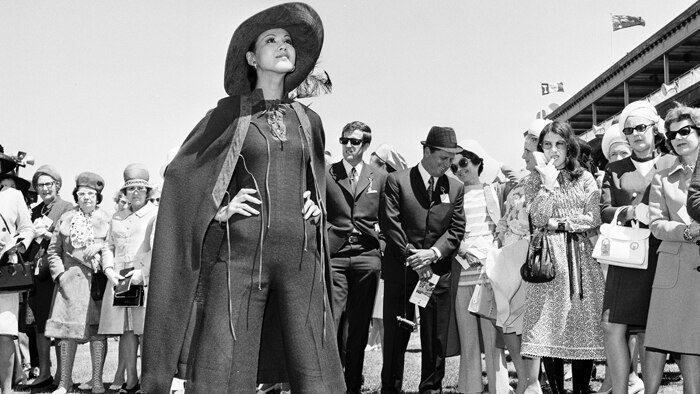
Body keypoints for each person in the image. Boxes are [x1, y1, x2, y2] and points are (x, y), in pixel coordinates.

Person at [140, 3, 345, 393]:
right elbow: (181, 176)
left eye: (287, 40)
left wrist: (316, 203)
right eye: (271, 40)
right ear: (252, 57)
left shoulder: (309, 120)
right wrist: (218, 210)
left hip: (302, 260)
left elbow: (317, 178)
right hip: (239, 259)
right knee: (225, 372)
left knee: (317, 375)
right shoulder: (229, 115)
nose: (283, 45)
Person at [520, 121, 605, 394]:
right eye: (547, 144)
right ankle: (556, 390)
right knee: (549, 325)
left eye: (559, 144)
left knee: (583, 323)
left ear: (569, 146)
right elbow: (538, 218)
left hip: (580, 259)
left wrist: (560, 224)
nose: (553, 150)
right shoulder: (534, 179)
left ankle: (580, 389)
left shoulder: (585, 177)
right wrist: (546, 184)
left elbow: (593, 217)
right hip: (549, 261)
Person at [380, 126, 465, 394]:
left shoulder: (455, 187)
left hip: (436, 275)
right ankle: (390, 389)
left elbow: (456, 230)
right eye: (443, 158)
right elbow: (390, 224)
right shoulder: (397, 181)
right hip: (402, 272)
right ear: (426, 151)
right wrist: (415, 258)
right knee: (395, 338)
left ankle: (431, 389)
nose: (448, 164)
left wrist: (434, 254)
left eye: (451, 159)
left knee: (435, 341)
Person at [599, 101, 675, 394]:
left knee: (652, 328)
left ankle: (651, 390)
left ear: (655, 129)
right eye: (628, 130)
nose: (635, 135)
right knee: (611, 326)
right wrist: (630, 213)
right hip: (625, 257)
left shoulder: (670, 162)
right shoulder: (615, 168)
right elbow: (604, 211)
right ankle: (621, 390)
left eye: (641, 127)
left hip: (661, 253)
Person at [325, 121, 387, 393]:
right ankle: (333, 381)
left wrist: (380, 247)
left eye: (355, 141)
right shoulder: (326, 173)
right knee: (334, 320)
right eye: (344, 140)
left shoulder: (380, 177)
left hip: (366, 256)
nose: (348, 145)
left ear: (366, 145)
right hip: (335, 256)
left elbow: (388, 218)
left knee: (360, 325)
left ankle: (352, 385)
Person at [645, 104, 700, 394]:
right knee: (669, 339)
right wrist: (688, 231)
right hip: (676, 267)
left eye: (685, 130)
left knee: (695, 340)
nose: (679, 137)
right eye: (672, 134)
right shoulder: (662, 178)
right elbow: (656, 225)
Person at [448, 148, 511, 394]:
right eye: (454, 167)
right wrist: (462, 250)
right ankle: (469, 389)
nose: (460, 170)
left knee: (493, 339)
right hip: (462, 272)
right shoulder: (453, 194)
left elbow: (502, 227)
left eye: (463, 162)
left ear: (477, 162)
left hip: (488, 273)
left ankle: (500, 389)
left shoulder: (494, 190)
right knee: (468, 340)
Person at [496, 118, 550, 394]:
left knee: (530, 326)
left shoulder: (550, 183)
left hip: (535, 264)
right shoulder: (518, 186)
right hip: (508, 263)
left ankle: (531, 383)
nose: (522, 156)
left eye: (527, 151)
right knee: (507, 324)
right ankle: (527, 380)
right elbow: (504, 221)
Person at [45, 172, 110, 394]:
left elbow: (114, 246)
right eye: (82, 194)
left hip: (97, 284)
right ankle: (64, 383)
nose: (86, 198)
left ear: (98, 197)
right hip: (69, 284)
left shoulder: (107, 219)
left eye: (91, 194)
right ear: (76, 195)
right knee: (66, 333)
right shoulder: (66, 219)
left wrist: (100, 248)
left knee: (97, 333)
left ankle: (98, 382)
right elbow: (53, 252)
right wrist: (60, 276)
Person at [98, 164, 158, 394]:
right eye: (130, 188)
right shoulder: (117, 216)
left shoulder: (155, 213)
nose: (135, 193)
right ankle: (130, 381)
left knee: (145, 330)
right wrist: (109, 269)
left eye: (140, 189)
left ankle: (148, 381)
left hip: (144, 277)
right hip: (121, 278)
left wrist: (142, 273)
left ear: (147, 192)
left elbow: (159, 249)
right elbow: (108, 245)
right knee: (126, 331)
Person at [24, 165, 74, 389]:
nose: (44, 188)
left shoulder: (67, 207)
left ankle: (62, 376)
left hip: (56, 273)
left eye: (48, 184)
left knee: (59, 325)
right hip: (35, 275)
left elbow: (71, 238)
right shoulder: (33, 211)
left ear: (58, 185)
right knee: (39, 325)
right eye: (40, 185)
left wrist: (49, 231)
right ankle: (44, 371)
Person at [367, 144, 407, 352]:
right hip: (373, 258)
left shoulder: (394, 193)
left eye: (374, 166)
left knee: (385, 317)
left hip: (387, 262)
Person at [0, 169, 34, 393]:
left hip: (4, 271)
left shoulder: (12, 195)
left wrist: (17, 245)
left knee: (4, 331)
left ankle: (6, 389)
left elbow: (27, 228)